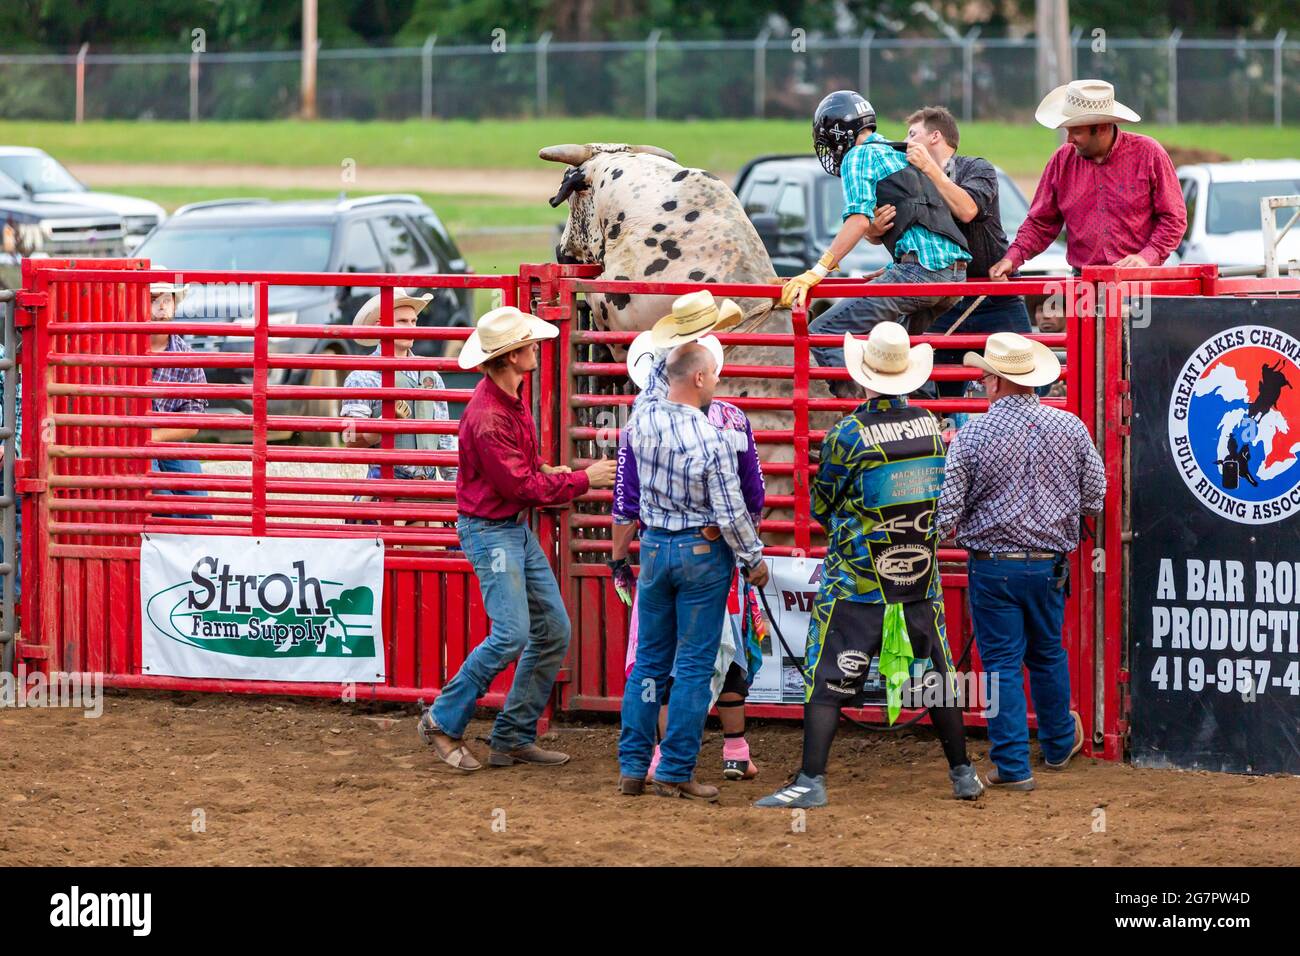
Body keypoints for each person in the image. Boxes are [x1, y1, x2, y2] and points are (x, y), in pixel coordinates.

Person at [756, 323, 983, 809]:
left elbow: (823, 501)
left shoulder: (847, 434)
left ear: (864, 376)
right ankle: (963, 773)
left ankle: (811, 780)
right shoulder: (928, 426)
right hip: (920, 572)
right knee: (937, 673)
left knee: (829, 676)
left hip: (858, 578)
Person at [417, 306, 616, 772]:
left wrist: (544, 469)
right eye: (528, 344)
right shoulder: (489, 415)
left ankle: (511, 735)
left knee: (550, 631)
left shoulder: (506, 399)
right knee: (514, 633)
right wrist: (584, 479)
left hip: (505, 528)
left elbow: (521, 475)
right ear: (510, 357)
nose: (535, 348)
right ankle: (443, 720)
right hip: (494, 531)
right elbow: (519, 488)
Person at [936, 332, 1107, 790]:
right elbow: (1096, 496)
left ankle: (1012, 767)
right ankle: (1055, 746)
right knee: (1048, 652)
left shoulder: (972, 435)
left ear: (994, 383)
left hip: (994, 566)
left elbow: (947, 513)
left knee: (1002, 665)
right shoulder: (1070, 427)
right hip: (1049, 563)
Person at [616, 296, 769, 802]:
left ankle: (634, 765)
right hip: (702, 556)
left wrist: (688, 333)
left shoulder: (641, 415)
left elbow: (665, 373)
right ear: (701, 380)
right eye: (713, 377)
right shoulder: (711, 439)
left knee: (648, 665)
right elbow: (732, 514)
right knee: (695, 666)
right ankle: (675, 768)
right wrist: (754, 561)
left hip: (655, 548)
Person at [780, 89, 971, 395]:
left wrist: (818, 270)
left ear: (839, 135)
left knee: (822, 332)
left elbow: (857, 220)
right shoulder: (897, 152)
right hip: (954, 277)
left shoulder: (858, 156)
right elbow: (909, 218)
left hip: (920, 273)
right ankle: (925, 423)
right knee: (905, 356)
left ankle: (863, 418)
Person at [988, 80, 1187, 279]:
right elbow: (1041, 223)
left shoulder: (1148, 154)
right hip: (1085, 282)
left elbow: (1173, 218)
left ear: (1100, 128)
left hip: (1142, 282)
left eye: (1076, 131)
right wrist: (1011, 258)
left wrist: (1146, 257)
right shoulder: (1062, 161)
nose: (1069, 139)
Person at [901, 106, 1032, 396]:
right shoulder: (911, 181)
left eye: (912, 134)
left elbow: (968, 209)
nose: (906, 142)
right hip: (943, 299)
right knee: (938, 388)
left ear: (935, 136)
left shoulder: (978, 168)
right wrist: (874, 230)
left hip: (995, 297)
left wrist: (929, 169)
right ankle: (950, 437)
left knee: (1028, 379)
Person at [340, 289, 457, 524]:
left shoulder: (430, 375)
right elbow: (350, 437)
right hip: (385, 485)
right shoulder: (363, 377)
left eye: (413, 321)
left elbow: (444, 440)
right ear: (381, 326)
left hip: (427, 486)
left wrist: (456, 488)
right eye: (402, 321)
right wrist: (384, 423)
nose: (410, 327)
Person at [148, 275, 210, 521]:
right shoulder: (122, 347)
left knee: (196, 498)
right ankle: (173, 533)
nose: (162, 306)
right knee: (153, 489)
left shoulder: (187, 358)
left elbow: (194, 421)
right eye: (153, 299)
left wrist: (151, 436)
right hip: (130, 442)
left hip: (167, 439)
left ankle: (202, 541)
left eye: (167, 299)